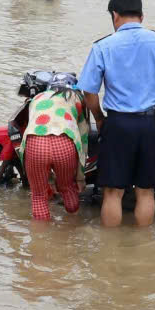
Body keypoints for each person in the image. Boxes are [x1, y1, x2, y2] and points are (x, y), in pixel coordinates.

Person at [77, 0, 155, 228]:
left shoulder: (103, 46)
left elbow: (89, 91)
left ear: (115, 15)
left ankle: (111, 251)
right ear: (141, 16)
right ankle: (144, 247)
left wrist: (99, 118)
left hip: (118, 125)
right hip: (152, 125)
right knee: (146, 192)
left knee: (112, 192)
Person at [19, 86, 90, 221]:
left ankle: (40, 238)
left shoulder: (37, 98)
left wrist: (50, 179)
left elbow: (32, 122)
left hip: (36, 142)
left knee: (39, 196)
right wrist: (80, 177)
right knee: (67, 187)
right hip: (64, 142)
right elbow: (83, 140)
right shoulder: (77, 99)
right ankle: (73, 225)